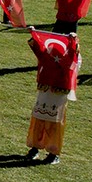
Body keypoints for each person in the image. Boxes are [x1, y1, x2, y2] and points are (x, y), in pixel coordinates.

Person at [24, 29, 81, 165]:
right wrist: (34, 34)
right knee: (39, 119)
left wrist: (75, 41)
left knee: (54, 123)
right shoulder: (47, 56)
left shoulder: (70, 57)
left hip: (58, 94)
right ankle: (35, 147)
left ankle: (53, 152)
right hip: (46, 91)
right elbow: (38, 49)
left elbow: (75, 59)